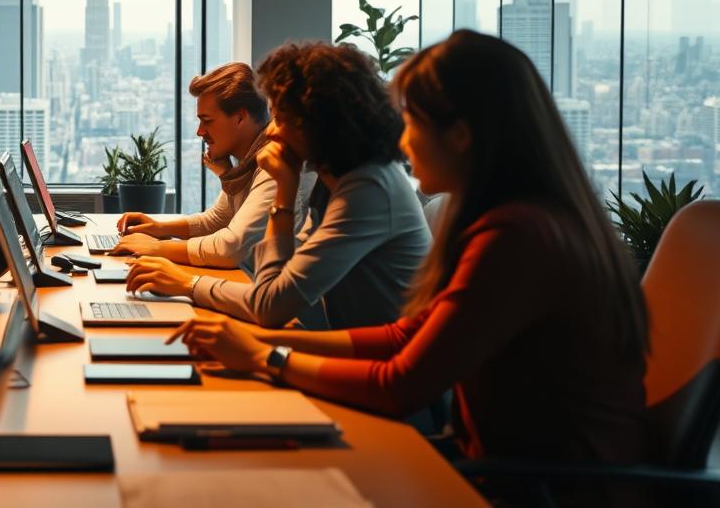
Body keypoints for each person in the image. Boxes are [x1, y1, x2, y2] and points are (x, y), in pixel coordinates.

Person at [170, 31, 650, 504]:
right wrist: (261, 341)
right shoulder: (509, 218)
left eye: (412, 120)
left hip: (540, 488)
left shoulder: (518, 237)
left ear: (461, 136)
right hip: (499, 463)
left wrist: (263, 357)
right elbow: (407, 335)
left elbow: (400, 384)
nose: (400, 135)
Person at [127, 42, 430, 329]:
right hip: (355, 351)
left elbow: (271, 305)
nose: (271, 130)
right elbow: (272, 291)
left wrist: (186, 284)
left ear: (318, 124)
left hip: (382, 368)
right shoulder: (335, 181)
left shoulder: (367, 190)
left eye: (281, 117)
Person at [113, 62, 277, 267]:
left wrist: (157, 248)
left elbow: (231, 247)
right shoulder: (247, 162)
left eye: (207, 121)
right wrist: (159, 228)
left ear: (240, 118)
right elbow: (217, 220)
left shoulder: (274, 166)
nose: (200, 132)